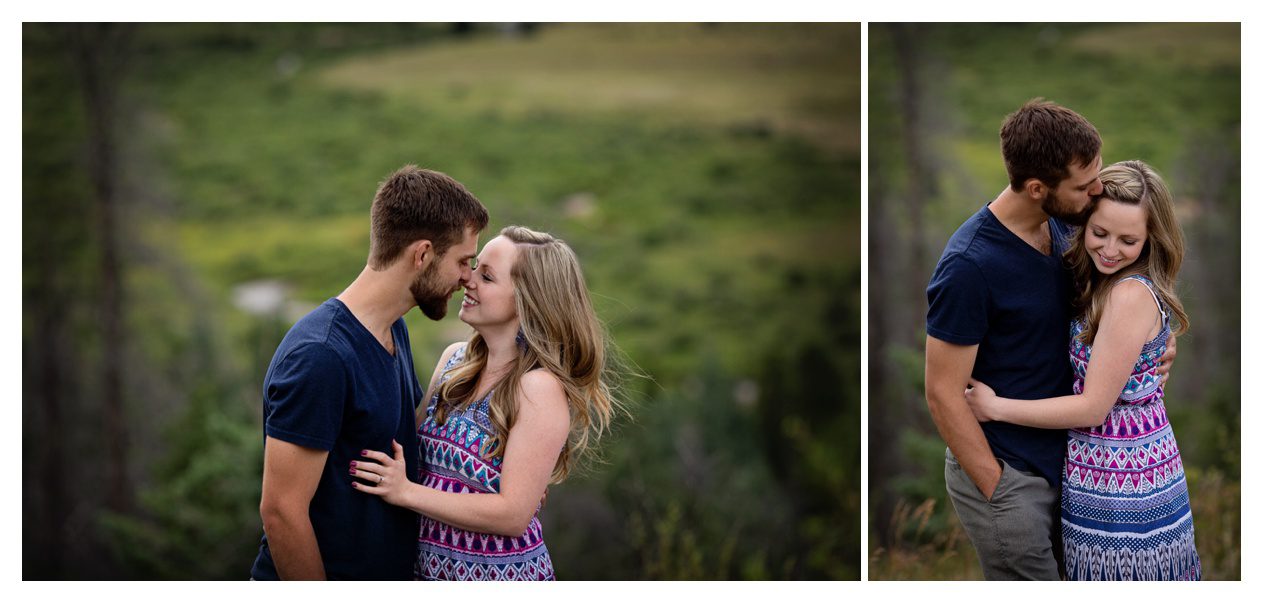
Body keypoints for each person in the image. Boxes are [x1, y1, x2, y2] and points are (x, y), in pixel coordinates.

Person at [923, 99, 1175, 580]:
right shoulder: (969, 268)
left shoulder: (1066, 224)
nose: (1097, 191)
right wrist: (997, 490)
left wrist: (1157, 342)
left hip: (1072, 465)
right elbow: (942, 393)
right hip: (1009, 472)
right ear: (1038, 188)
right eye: (1085, 185)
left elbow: (1119, 300)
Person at [964, 160, 1201, 580]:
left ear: (1151, 239)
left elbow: (1093, 408)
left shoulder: (1128, 294)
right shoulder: (1102, 280)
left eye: (1128, 240)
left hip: (1125, 483)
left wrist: (995, 407)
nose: (1110, 249)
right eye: (1100, 233)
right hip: (1100, 471)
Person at [250, 166, 489, 580]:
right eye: (464, 261)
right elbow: (281, 511)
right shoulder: (321, 356)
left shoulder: (393, 329)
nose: (467, 278)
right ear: (423, 254)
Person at [348, 225, 623, 580]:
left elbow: (512, 515)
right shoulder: (453, 362)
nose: (468, 280)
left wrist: (406, 492)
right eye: (474, 266)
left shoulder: (537, 388)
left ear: (527, 301)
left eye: (487, 277)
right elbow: (411, 454)